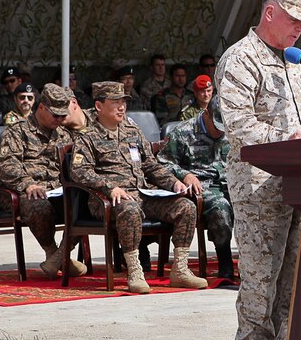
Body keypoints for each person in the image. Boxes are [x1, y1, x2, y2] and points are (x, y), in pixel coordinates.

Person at [215, 0, 301, 340]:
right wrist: (290, 143)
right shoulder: (240, 60)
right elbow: (239, 127)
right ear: (270, 13)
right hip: (258, 184)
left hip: (299, 182)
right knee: (262, 273)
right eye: (295, 20)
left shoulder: (294, 62)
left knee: (293, 270)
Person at [70, 81, 207, 293]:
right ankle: (134, 271)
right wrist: (109, 187)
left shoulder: (132, 130)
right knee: (130, 209)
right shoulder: (87, 136)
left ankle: (180, 269)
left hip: (143, 193)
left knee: (185, 207)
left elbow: (150, 165)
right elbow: (79, 171)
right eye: (115, 102)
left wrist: (174, 183)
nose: (121, 106)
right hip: (108, 200)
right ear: (99, 106)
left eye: (123, 101)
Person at [0, 84, 87, 278]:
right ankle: (53, 253)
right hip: (22, 192)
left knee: (86, 201)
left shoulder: (64, 133)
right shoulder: (17, 131)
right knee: (37, 202)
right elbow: (8, 166)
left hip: (57, 190)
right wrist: (27, 183)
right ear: (41, 108)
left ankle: (57, 259)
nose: (60, 120)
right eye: (55, 115)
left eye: (62, 116)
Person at [159, 100, 235, 279]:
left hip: (231, 183)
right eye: (217, 125)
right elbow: (162, 163)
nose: (220, 131)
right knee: (220, 206)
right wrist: (184, 175)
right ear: (206, 113)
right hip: (201, 186)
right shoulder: (184, 132)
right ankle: (225, 264)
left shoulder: (232, 131)